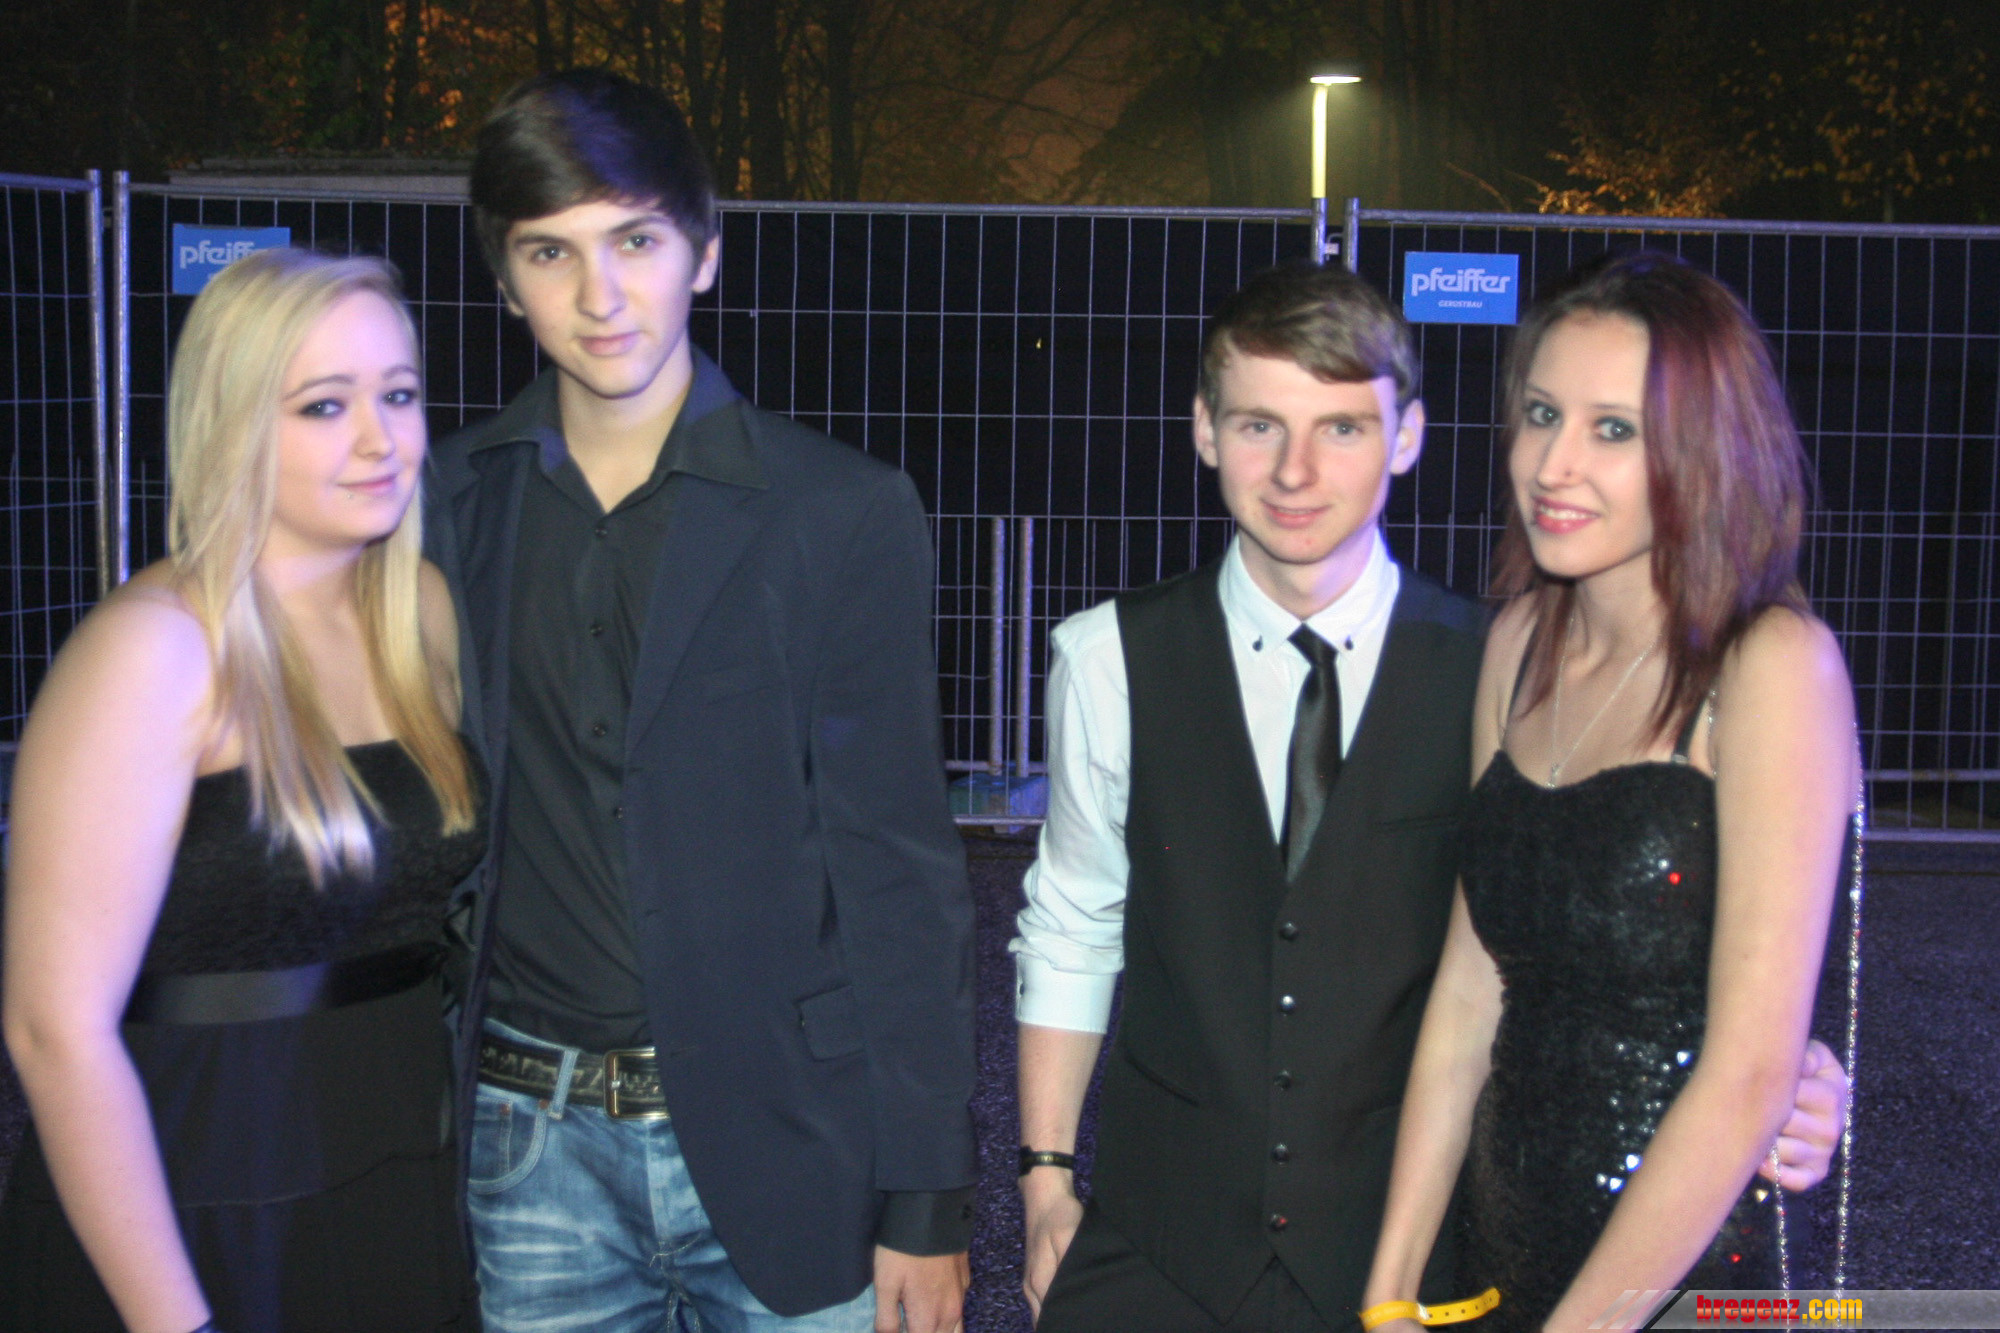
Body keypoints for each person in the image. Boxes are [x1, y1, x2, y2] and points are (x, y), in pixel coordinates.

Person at [1011, 261, 1850, 1333]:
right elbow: (1075, 919)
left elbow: (1721, 1017)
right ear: (1204, 430)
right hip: (1188, 1248)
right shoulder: (1115, 658)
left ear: (1406, 436)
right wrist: (1044, 1174)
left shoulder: (1522, 656)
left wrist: (1795, 1073)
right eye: (1540, 415)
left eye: (1612, 428)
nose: (1296, 471)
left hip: (1555, 1256)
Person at [424, 69, 977, 1333]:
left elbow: (898, 869)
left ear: (705, 253)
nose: (599, 294)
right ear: (504, 281)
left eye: (634, 241)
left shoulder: (840, 512)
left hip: (793, 1140)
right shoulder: (441, 509)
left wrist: (926, 1191)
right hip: (527, 1157)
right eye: (550, 252)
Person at [1362, 251, 1858, 1333]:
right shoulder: (1516, 645)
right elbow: (1467, 992)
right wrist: (1390, 1287)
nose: (1553, 463)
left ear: (1702, 450)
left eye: (1614, 429)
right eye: (1541, 414)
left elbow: (1749, 1072)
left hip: (1689, 1280)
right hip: (1501, 1259)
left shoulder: (1771, 667)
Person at [0, 248, 484, 1333]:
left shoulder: (421, 615)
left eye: (399, 394)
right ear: (230, 425)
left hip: (399, 1183)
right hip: (189, 1213)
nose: (382, 440)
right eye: (324, 405)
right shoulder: (155, 651)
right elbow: (52, 1028)